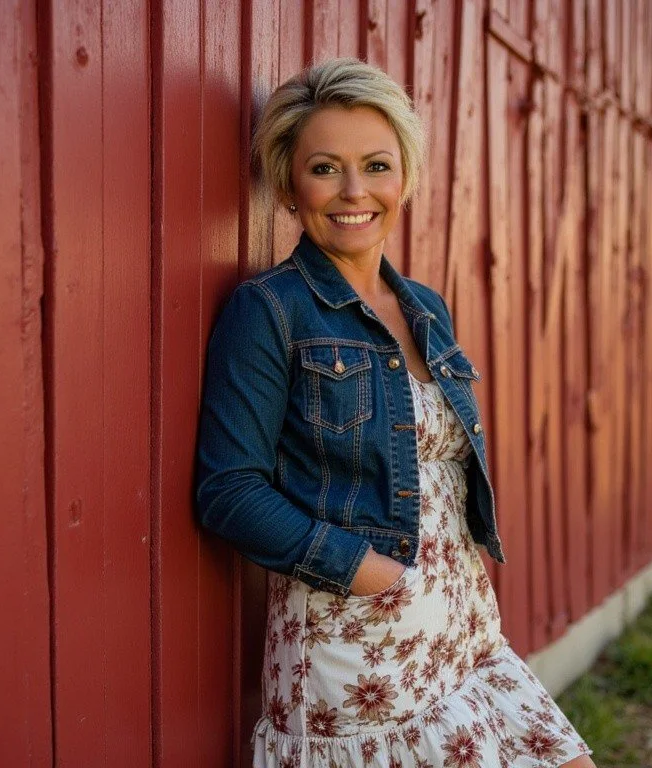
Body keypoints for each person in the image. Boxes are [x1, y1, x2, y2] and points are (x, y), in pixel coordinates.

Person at [196, 57, 596, 767]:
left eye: (376, 165)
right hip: (357, 643)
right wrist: (368, 572)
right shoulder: (270, 312)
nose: (355, 191)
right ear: (288, 184)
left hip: (461, 618)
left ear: (404, 175)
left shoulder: (424, 306)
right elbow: (230, 491)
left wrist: (441, 580)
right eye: (325, 168)